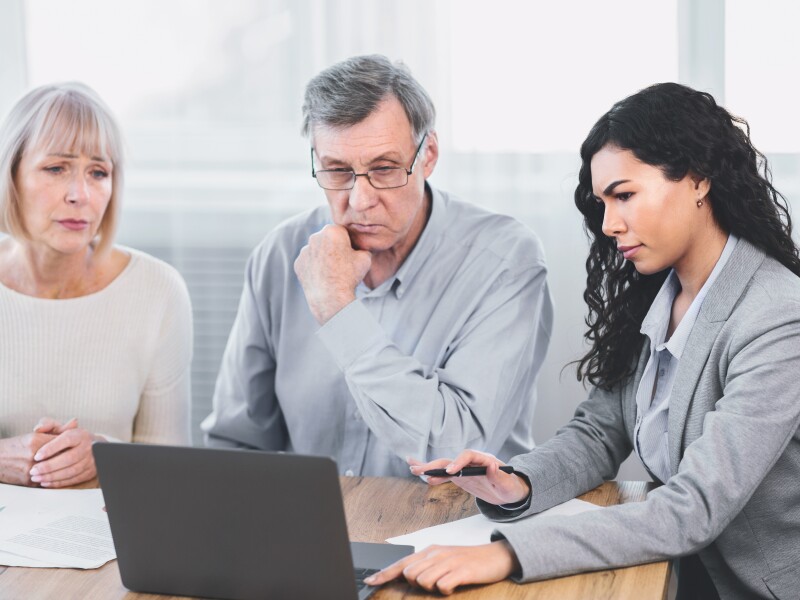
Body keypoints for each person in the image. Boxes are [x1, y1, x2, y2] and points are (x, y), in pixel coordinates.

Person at [366, 82, 800, 599]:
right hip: (677, 571)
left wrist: (509, 551)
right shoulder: (662, 291)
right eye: (602, 202)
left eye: (625, 195)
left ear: (698, 180)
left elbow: (694, 508)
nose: (610, 224)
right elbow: (600, 431)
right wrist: (516, 482)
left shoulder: (776, 315)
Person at [202, 55, 553, 477]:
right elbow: (238, 444)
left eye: (384, 169)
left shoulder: (505, 262)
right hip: (312, 528)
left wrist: (338, 310)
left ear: (429, 156)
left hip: (450, 526)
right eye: (337, 171)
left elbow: (455, 453)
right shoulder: (279, 255)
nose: (359, 200)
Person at [0, 83, 193, 489]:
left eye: (98, 172)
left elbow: (173, 462)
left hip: (107, 538)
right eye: (56, 168)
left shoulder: (158, 290)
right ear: (11, 174)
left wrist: (106, 455)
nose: (80, 195)